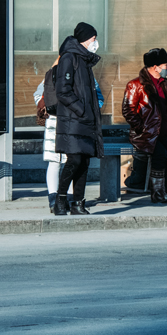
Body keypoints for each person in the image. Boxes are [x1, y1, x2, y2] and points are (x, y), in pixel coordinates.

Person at [122, 47, 167, 203]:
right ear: (155, 67)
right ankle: (158, 193)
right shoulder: (135, 85)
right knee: (159, 156)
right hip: (148, 134)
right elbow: (128, 111)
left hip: (166, 132)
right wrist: (142, 129)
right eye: (165, 65)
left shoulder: (164, 83)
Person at [38, 57, 104, 213]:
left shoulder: (84, 75)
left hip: (73, 123)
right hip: (57, 123)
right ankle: (55, 199)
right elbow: (39, 95)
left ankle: (66, 198)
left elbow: (98, 98)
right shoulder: (52, 74)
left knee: (72, 160)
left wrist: (88, 110)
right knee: (56, 162)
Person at [54, 22, 105, 216]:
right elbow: (63, 90)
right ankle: (60, 200)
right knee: (74, 159)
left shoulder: (84, 60)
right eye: (93, 39)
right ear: (85, 39)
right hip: (73, 119)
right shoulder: (69, 58)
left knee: (84, 161)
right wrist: (81, 109)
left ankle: (78, 203)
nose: (95, 43)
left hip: (84, 120)